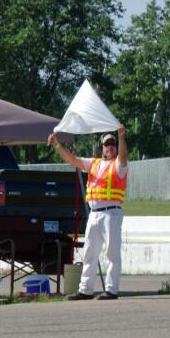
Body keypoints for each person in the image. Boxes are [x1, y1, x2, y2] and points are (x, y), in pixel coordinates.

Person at [48, 126, 128, 300]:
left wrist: (121, 137)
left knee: (112, 253)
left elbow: (123, 157)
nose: (110, 147)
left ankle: (111, 290)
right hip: (94, 214)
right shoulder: (94, 163)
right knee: (89, 253)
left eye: (113, 144)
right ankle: (85, 289)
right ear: (102, 147)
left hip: (111, 214)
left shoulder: (119, 165)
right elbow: (73, 160)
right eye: (107, 144)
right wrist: (57, 145)